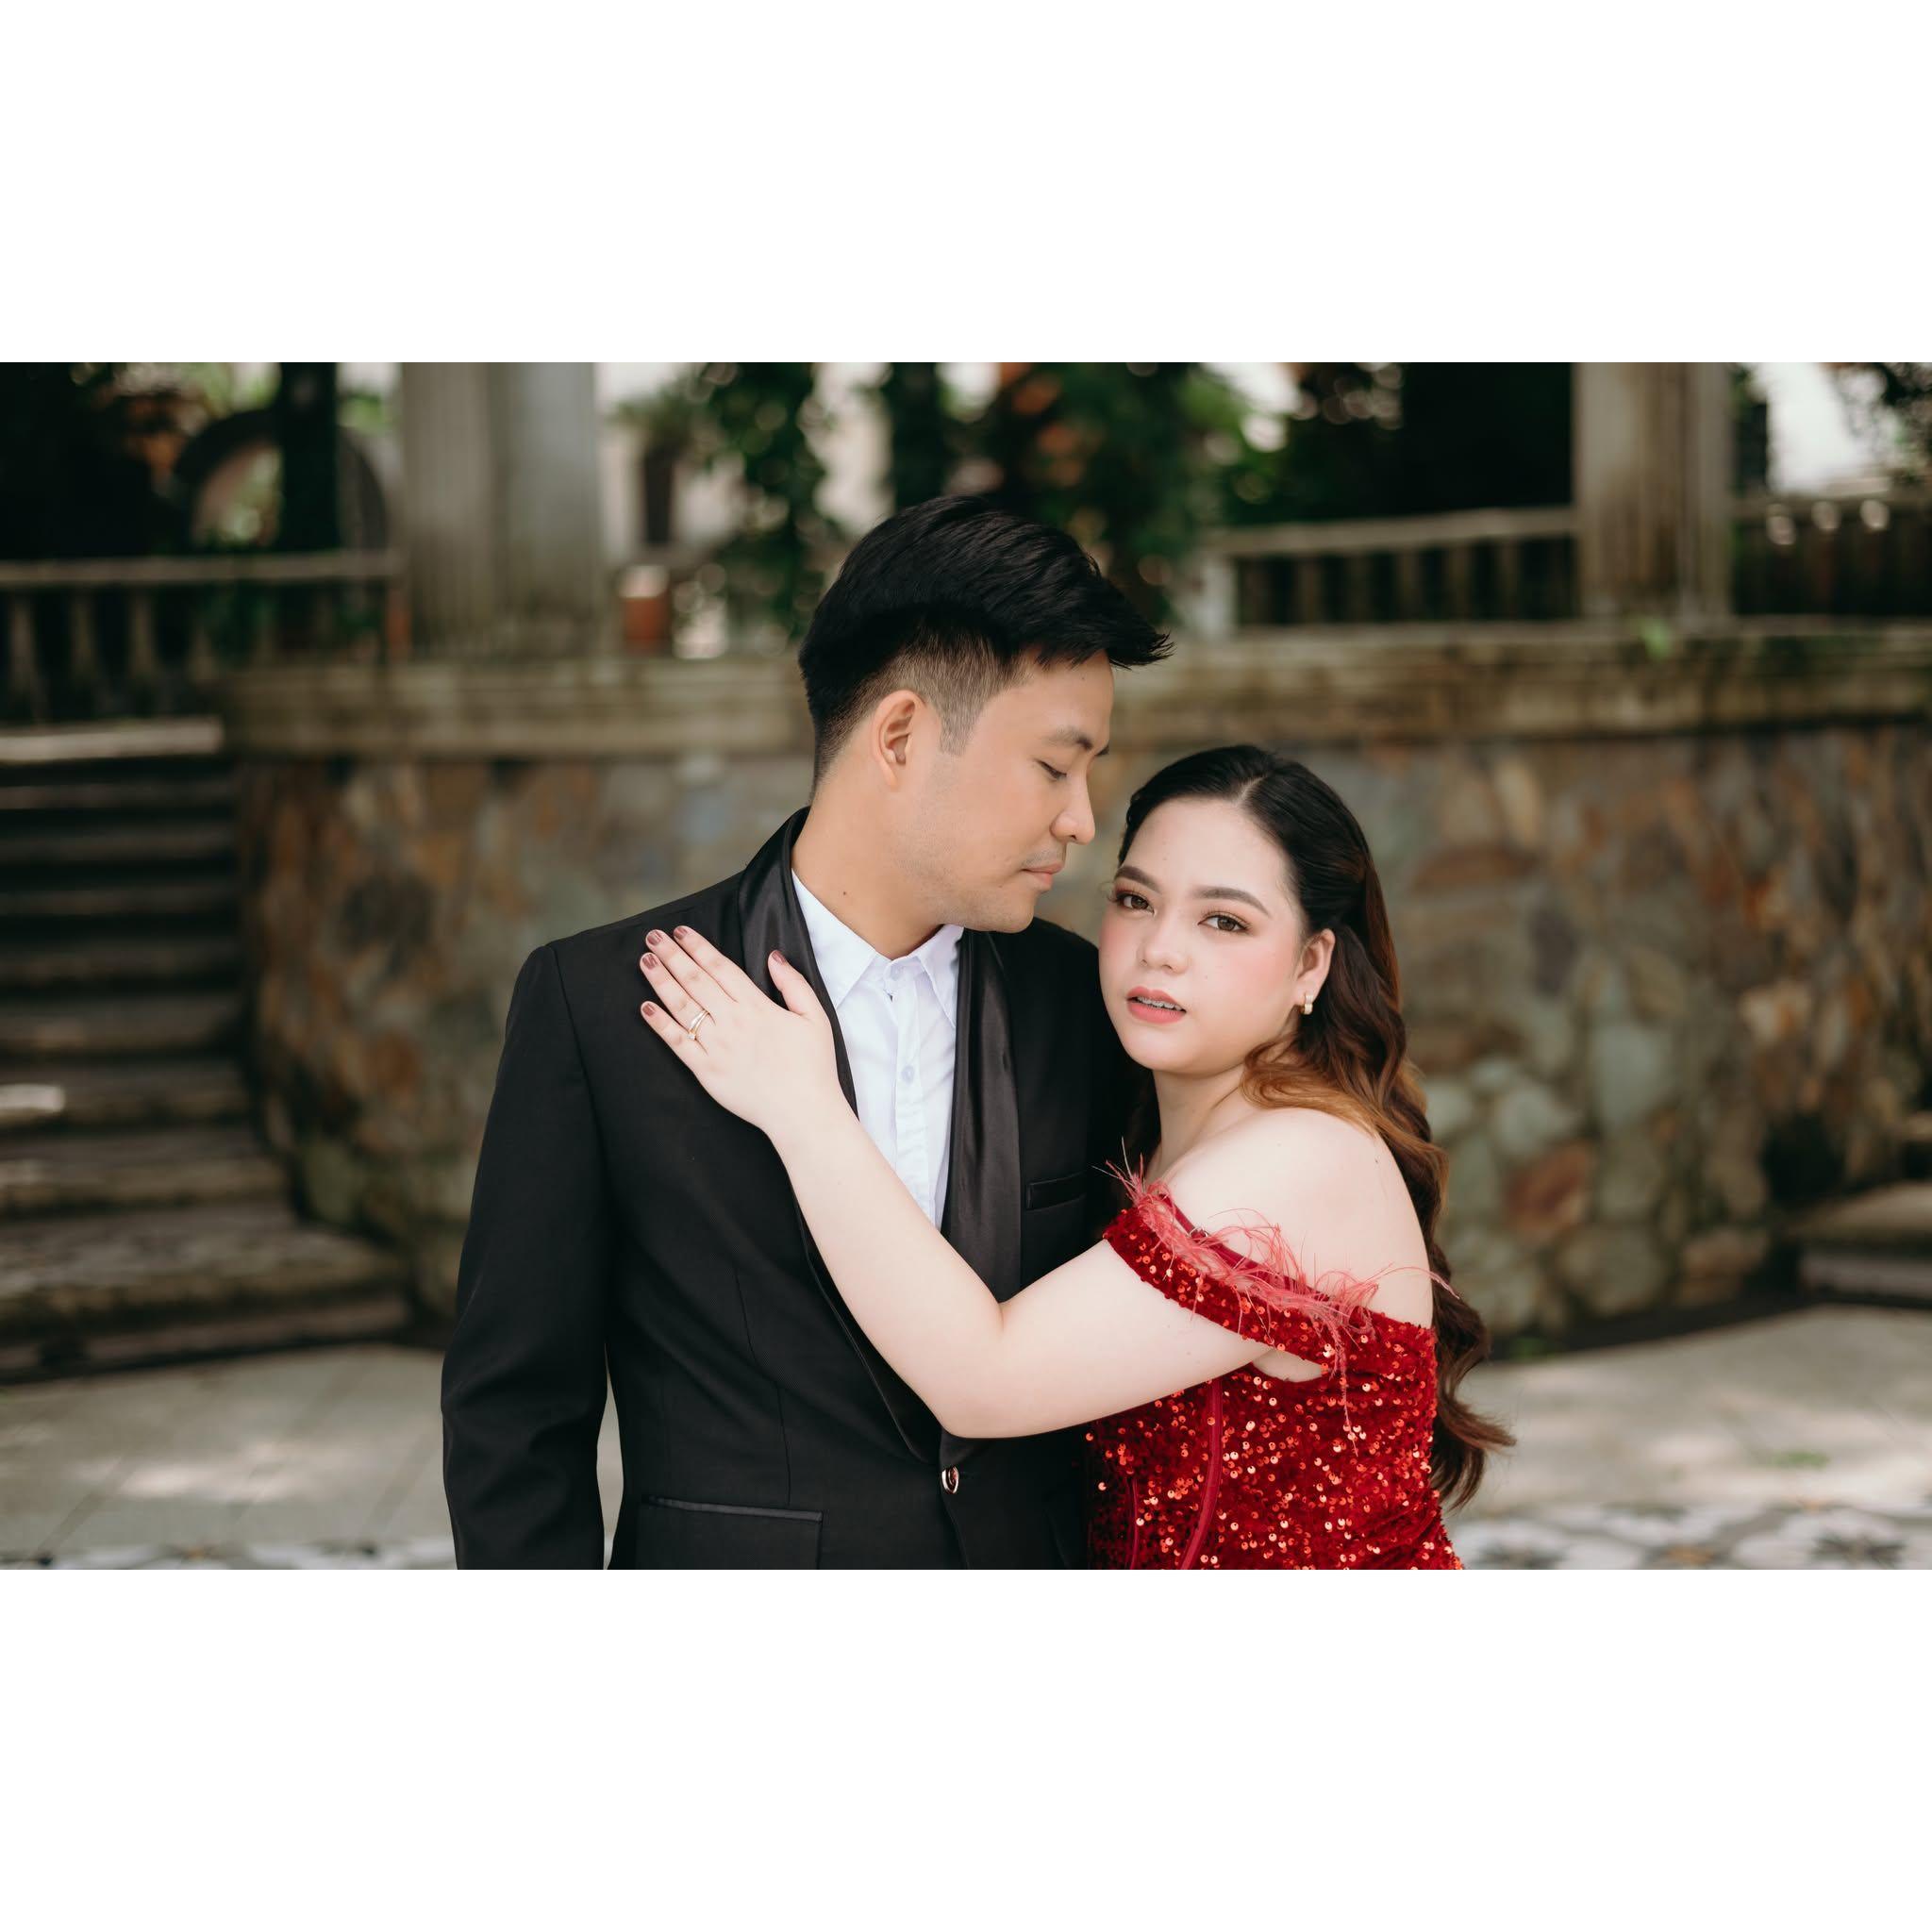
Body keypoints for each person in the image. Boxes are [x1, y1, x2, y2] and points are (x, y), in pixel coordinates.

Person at [440, 495, 1167, 1566]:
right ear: (901, 736)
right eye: (1055, 766)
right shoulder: (600, 1004)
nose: (1081, 818)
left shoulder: (1083, 1003)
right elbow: (515, 1419)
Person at [636, 744, 1513, 1568]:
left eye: (1224, 921)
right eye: (1135, 900)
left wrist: (803, 1107)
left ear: (1311, 965)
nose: (1160, 947)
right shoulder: (1154, 1133)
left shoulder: (1302, 1158)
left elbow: (984, 1382)